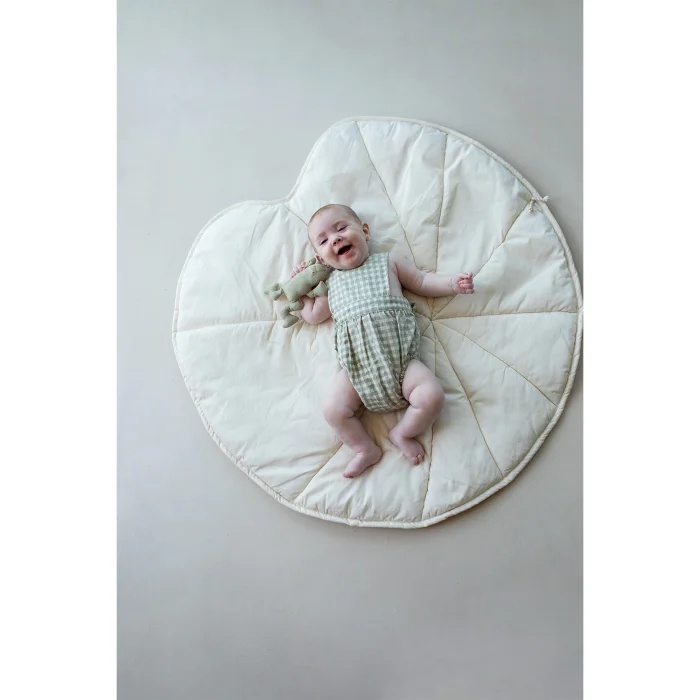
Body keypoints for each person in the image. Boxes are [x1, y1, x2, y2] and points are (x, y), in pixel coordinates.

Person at [292, 204, 474, 478]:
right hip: (356, 372)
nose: (336, 239)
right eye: (324, 240)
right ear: (320, 258)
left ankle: (402, 432)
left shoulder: (388, 262)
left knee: (432, 395)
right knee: (333, 411)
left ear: (365, 232)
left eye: (341, 228)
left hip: (402, 363)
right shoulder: (331, 285)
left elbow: (422, 281)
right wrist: (300, 293)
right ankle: (365, 449)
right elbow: (314, 315)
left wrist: (451, 284)